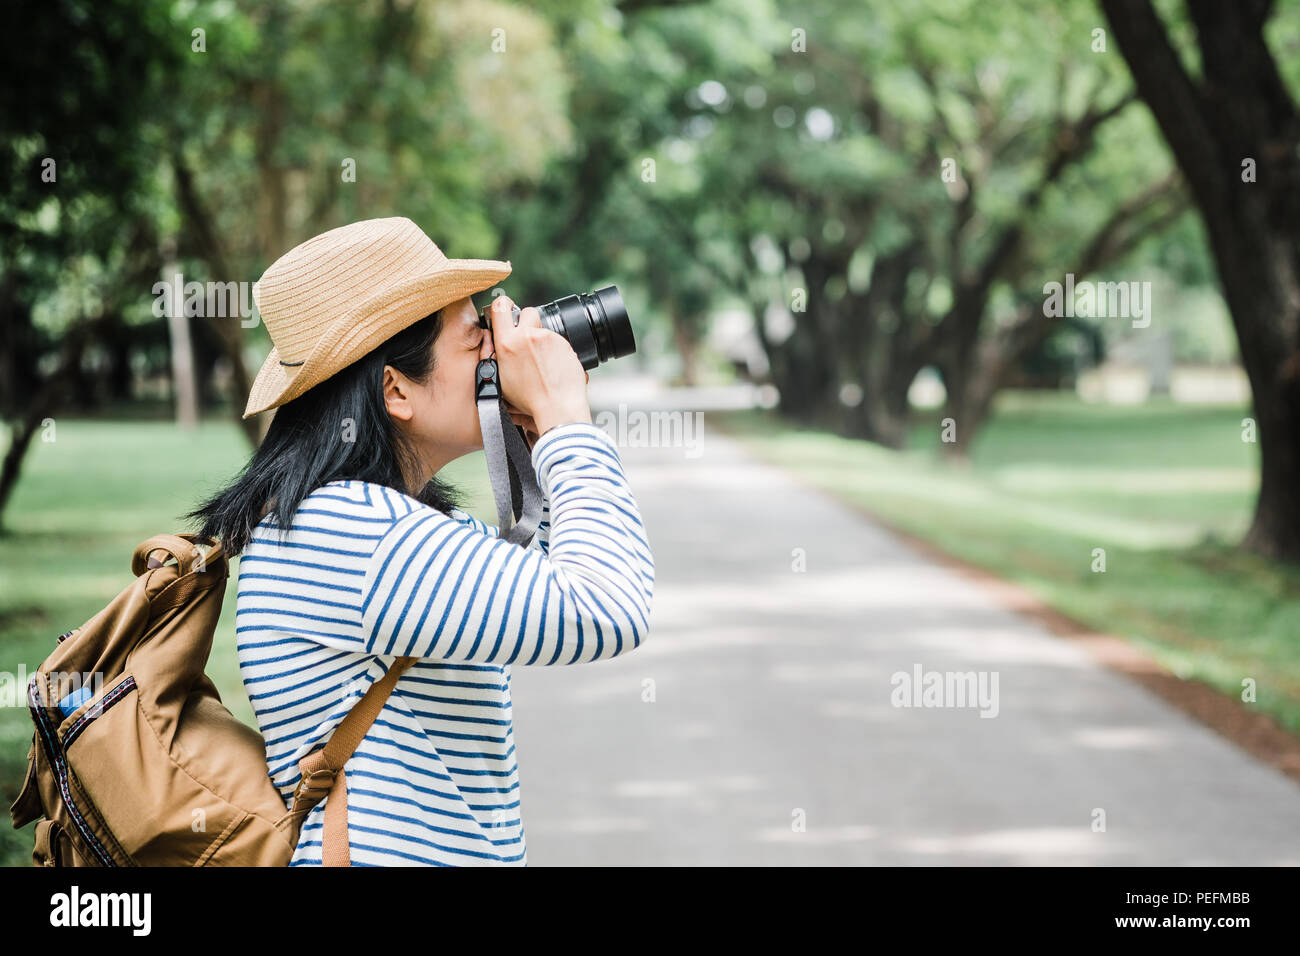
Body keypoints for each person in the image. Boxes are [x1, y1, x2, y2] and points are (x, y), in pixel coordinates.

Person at [189, 216, 654, 866]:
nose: (496, 355)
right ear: (395, 389)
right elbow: (607, 607)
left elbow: (562, 576)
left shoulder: (375, 523)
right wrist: (564, 416)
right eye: (475, 341)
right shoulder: (348, 530)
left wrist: (539, 435)